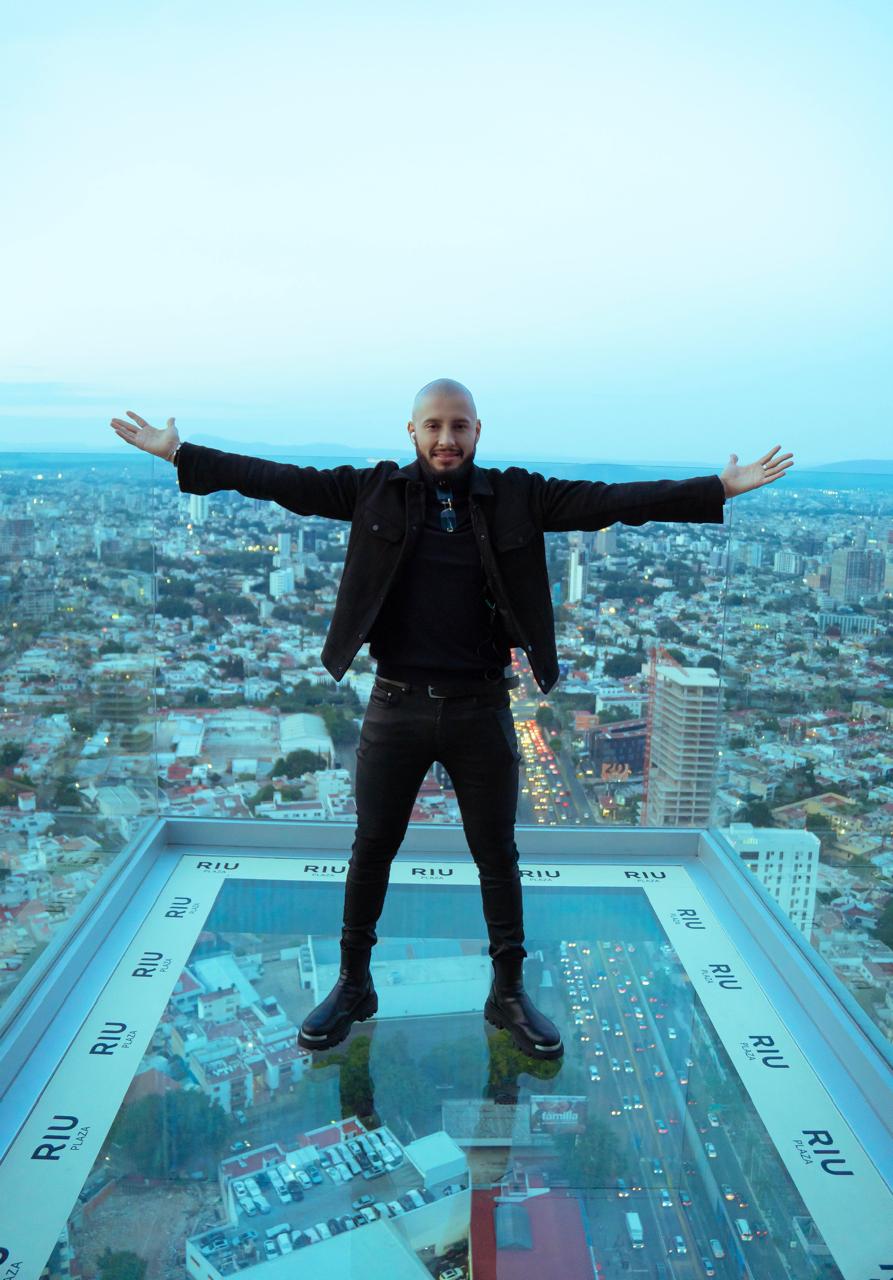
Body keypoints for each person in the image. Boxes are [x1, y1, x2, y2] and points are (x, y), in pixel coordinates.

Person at [110, 382, 793, 1060]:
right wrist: (180, 454)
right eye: (433, 425)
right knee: (371, 848)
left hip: (481, 706)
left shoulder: (519, 495)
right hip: (395, 703)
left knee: (497, 855)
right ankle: (353, 985)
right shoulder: (373, 491)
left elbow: (612, 502)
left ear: (477, 431)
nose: (446, 439)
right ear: (411, 431)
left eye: (459, 426)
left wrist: (717, 488)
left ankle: (508, 993)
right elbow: (278, 480)